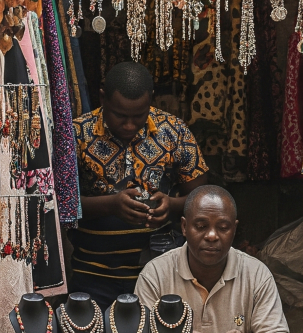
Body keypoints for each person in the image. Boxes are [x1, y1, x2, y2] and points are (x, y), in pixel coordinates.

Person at [71, 61, 208, 307]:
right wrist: (111, 205)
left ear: (150, 100)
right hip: (93, 275)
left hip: (160, 273)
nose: (129, 125)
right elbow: (59, 204)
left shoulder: (174, 131)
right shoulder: (78, 134)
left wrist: (172, 205)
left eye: (139, 116)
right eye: (120, 115)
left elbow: (204, 199)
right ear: (103, 98)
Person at [135, 185, 290, 333]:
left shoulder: (256, 274)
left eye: (223, 228)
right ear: (184, 227)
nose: (211, 236)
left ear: (234, 229)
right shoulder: (155, 274)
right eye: (201, 226)